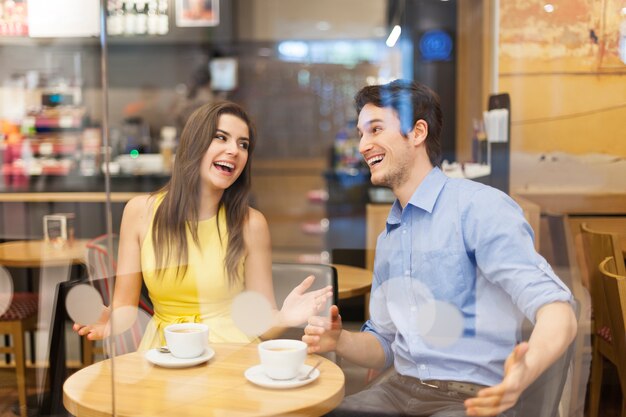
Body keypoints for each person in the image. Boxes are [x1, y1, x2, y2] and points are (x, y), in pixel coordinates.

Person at [303, 80, 577, 417]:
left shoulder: (478, 208)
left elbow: (558, 311)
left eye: (375, 129)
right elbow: (385, 343)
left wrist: (524, 373)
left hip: (469, 399)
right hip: (398, 390)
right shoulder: (390, 234)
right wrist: (339, 341)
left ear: (417, 133)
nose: (363, 145)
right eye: (361, 133)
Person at [74, 101, 333, 348]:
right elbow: (124, 308)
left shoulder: (251, 223)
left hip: (231, 352)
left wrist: (285, 317)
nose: (234, 150)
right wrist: (112, 321)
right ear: (194, 144)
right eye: (221, 137)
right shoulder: (139, 212)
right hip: (165, 353)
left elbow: (261, 323)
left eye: (243, 144)